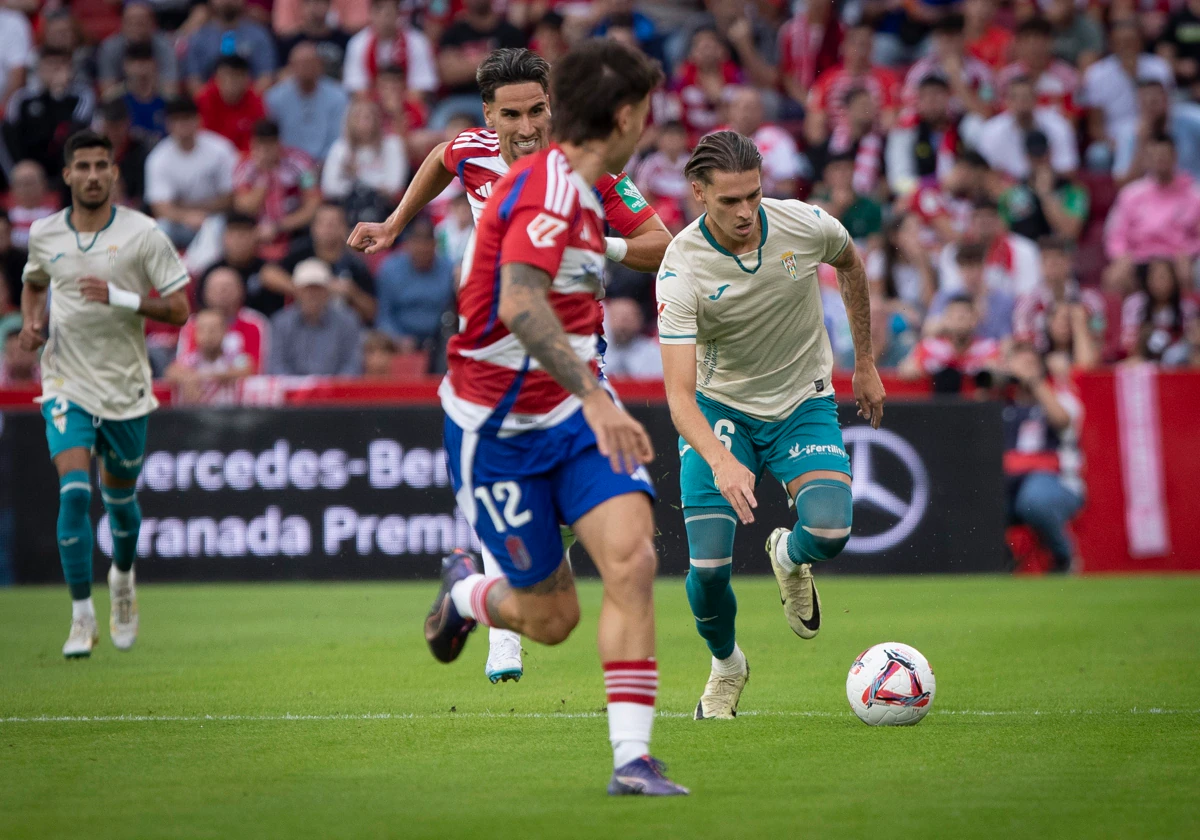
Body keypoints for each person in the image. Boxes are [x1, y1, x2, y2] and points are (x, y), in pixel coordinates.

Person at [348, 47, 671, 687]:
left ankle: (484, 593)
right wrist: (392, 224)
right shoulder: (471, 151)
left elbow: (661, 244)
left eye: (538, 111)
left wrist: (594, 238)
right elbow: (442, 159)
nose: (528, 128)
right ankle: (496, 611)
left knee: (603, 531)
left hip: (577, 358)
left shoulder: (591, 170)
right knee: (544, 531)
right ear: (489, 118)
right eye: (512, 115)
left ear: (555, 106)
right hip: (492, 367)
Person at [423, 38, 687, 797]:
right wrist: (601, 396)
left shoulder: (585, 183)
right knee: (551, 619)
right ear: (628, 115)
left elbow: (652, 248)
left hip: (568, 417)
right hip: (498, 429)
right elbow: (519, 305)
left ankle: (632, 761)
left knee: (632, 561)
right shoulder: (545, 192)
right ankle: (467, 593)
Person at [655, 131, 884, 720]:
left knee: (831, 531)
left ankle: (790, 555)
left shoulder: (803, 224)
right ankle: (727, 665)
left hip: (801, 400)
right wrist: (719, 456)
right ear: (698, 193)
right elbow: (678, 397)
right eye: (728, 200)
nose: (744, 212)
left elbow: (851, 263)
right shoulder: (680, 268)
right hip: (718, 409)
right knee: (707, 572)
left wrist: (865, 362)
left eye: (753, 196)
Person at [18, 130, 190, 658]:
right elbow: (34, 281)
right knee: (74, 491)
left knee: (120, 503)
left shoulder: (143, 234)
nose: (93, 175)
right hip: (67, 380)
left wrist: (120, 297)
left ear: (115, 173)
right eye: (83, 167)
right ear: (67, 175)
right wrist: (31, 323)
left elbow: (181, 310)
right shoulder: (46, 234)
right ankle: (80, 615)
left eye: (101, 166)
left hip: (125, 386)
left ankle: (121, 580)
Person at [1001, 343, 1085, 572]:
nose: (1023, 371)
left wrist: (1035, 382)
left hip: (1056, 481)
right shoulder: (1002, 403)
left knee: (1034, 500)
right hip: (1009, 482)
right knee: (978, 500)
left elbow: (1063, 420)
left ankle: (1062, 556)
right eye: (1018, 365)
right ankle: (1002, 559)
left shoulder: (1061, 398)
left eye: (1030, 364)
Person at [1105, 134, 1200, 294]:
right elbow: (1115, 234)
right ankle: (1126, 318)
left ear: (1174, 157)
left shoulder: (1194, 195)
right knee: (1114, 277)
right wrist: (1121, 256)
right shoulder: (1130, 194)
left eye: (1164, 156)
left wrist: (1189, 254)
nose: (1160, 161)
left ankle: (1189, 317)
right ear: (1147, 160)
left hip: (1176, 258)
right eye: (1155, 157)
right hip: (1139, 258)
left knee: (1190, 273)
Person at [145, 96, 238, 250]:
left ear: (198, 120)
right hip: (179, 222)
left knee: (218, 227)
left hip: (215, 219)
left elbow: (230, 198)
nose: (182, 125)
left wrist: (194, 210)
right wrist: (186, 216)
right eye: (176, 120)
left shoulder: (221, 149)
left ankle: (202, 269)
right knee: (159, 229)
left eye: (187, 119)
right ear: (168, 124)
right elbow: (159, 207)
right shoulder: (158, 158)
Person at [266, 202, 377, 324]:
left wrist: (352, 292)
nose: (328, 229)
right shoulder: (301, 252)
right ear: (313, 227)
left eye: (333, 223)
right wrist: (306, 289)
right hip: (300, 324)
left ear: (345, 228)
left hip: (341, 327)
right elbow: (268, 274)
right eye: (322, 223)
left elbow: (372, 312)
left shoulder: (355, 263)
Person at [3, 49, 95, 186]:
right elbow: (10, 135)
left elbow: (70, 131)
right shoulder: (21, 99)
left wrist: (58, 95)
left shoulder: (82, 96)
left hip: (64, 167)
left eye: (60, 66)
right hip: (27, 166)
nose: (54, 71)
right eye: (49, 66)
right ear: (39, 69)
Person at [232, 120, 321, 262]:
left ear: (278, 143)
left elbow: (313, 203)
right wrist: (263, 178)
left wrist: (279, 226)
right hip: (256, 232)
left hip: (294, 229)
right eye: (259, 146)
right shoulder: (245, 168)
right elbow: (243, 207)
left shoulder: (301, 164)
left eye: (269, 146)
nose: (264, 152)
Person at [434, 0, 527, 129]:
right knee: (449, 130)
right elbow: (448, 75)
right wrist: (492, 60)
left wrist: (464, 63)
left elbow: (515, 75)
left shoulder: (511, 33)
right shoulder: (452, 33)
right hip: (459, 101)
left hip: (500, 99)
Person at [265, 258, 363, 375]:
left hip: (335, 390)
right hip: (294, 390)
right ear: (297, 292)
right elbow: (276, 365)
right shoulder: (281, 322)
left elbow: (353, 364)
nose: (312, 295)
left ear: (327, 292)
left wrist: (330, 388)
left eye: (318, 289)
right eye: (307, 289)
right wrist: (300, 388)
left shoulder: (347, 321)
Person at [1014, 236, 1107, 357]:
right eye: (1046, 259)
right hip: (1042, 361)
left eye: (1058, 257)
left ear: (1070, 262)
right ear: (1039, 264)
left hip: (1082, 356)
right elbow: (1023, 338)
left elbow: (1099, 330)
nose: (1052, 263)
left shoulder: (1090, 299)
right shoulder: (1027, 302)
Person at [977, 76, 1079, 181]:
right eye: (1015, 98)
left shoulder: (1058, 125)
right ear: (1006, 101)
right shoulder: (991, 131)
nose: (1021, 103)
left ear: (1036, 99)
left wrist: (1042, 176)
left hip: (1051, 183)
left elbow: (1069, 170)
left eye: (1026, 97)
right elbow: (985, 175)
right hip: (1009, 189)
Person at [375, 215, 453, 350]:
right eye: (417, 242)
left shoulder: (449, 270)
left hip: (440, 340)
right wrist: (397, 338)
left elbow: (454, 313)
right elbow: (384, 315)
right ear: (408, 243)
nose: (422, 248)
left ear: (435, 244)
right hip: (400, 341)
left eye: (427, 242)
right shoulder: (390, 269)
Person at [266, 41, 348, 164]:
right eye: (301, 64)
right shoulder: (275, 98)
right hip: (286, 163)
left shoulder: (338, 96)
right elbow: (273, 138)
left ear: (320, 65)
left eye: (311, 63)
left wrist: (323, 163)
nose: (306, 68)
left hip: (328, 162)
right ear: (291, 67)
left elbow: (338, 138)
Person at [177, 265, 269, 373]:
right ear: (205, 293)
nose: (221, 292)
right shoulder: (193, 323)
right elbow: (179, 367)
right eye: (215, 288)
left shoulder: (255, 322)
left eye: (227, 287)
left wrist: (219, 375)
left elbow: (255, 367)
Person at [899, 294, 1003, 389]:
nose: (959, 320)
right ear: (945, 319)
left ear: (975, 320)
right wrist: (912, 369)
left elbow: (999, 372)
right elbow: (907, 369)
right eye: (954, 316)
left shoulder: (988, 349)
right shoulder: (930, 347)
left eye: (964, 316)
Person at [342, 0, 438, 99]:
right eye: (379, 11)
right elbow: (357, 88)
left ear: (398, 13)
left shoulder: (417, 42)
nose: (384, 17)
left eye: (389, 12)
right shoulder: (357, 43)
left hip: (407, 105)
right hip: (371, 105)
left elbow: (420, 87)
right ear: (370, 13)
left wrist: (395, 106)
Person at [320, 99, 408, 203]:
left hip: (383, 206)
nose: (362, 123)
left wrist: (359, 175)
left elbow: (394, 186)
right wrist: (355, 188)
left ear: (377, 120)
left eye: (367, 117)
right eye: (357, 117)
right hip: (347, 205)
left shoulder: (392, 145)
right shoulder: (340, 148)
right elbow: (328, 187)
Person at [725, 87, 803, 200]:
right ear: (729, 111)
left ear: (761, 111)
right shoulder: (715, 139)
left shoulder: (779, 138)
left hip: (766, 204)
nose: (744, 113)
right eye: (739, 107)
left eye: (750, 108)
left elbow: (788, 186)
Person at [929, 242, 1016, 342]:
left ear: (984, 267)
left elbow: (1006, 338)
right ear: (959, 269)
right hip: (953, 353)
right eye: (967, 267)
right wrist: (959, 320)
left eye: (976, 266)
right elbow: (929, 330)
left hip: (989, 353)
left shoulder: (1002, 300)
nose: (972, 274)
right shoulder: (946, 296)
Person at [184, 0, 278, 92]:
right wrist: (213, 102)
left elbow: (266, 77)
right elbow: (193, 81)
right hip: (209, 102)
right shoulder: (198, 37)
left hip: (250, 102)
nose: (228, 1)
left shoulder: (259, 35)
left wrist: (245, 102)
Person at [165, 308, 252, 404]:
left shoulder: (232, 355)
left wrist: (212, 376)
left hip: (228, 413)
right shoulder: (192, 359)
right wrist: (188, 378)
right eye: (202, 330)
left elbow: (247, 367)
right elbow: (170, 371)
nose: (208, 335)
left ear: (225, 331)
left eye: (213, 329)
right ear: (195, 333)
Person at [96, 1, 179, 97]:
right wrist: (132, 84)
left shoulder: (165, 47)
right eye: (130, 22)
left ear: (152, 24)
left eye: (141, 23)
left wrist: (148, 84)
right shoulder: (109, 48)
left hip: (157, 102)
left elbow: (171, 92)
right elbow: (107, 94)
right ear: (122, 23)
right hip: (122, 105)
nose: (136, 27)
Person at [1121, 258, 1199, 361]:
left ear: (1174, 280)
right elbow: (1127, 342)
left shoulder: (1187, 308)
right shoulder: (1135, 304)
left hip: (1179, 360)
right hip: (1143, 357)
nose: (1160, 283)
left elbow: (1193, 340)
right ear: (1148, 280)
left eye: (1164, 277)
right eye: (1155, 278)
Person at [195, 55, 266, 154]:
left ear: (246, 79)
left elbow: (257, 141)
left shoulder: (256, 101)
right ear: (216, 78)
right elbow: (202, 138)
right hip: (211, 160)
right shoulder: (204, 99)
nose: (230, 83)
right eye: (225, 78)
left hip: (244, 160)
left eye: (236, 77)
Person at [275, 0, 352, 81]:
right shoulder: (289, 42)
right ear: (302, 7)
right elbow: (280, 75)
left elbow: (351, 75)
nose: (315, 8)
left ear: (329, 6)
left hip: (336, 90)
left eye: (320, 3)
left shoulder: (344, 40)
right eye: (310, 3)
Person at [602, 296, 662, 379]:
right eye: (616, 317)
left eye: (627, 319)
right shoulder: (595, 352)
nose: (621, 325)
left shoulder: (655, 354)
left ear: (640, 320)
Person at [5, 162, 59, 250]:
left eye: (31, 183)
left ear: (43, 184)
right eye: (21, 184)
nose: (27, 189)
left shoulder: (56, 218)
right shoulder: (5, 220)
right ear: (12, 188)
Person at [120, 42, 168, 141]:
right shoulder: (114, 100)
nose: (140, 67)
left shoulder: (168, 100)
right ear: (125, 66)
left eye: (145, 61)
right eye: (135, 61)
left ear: (154, 64)